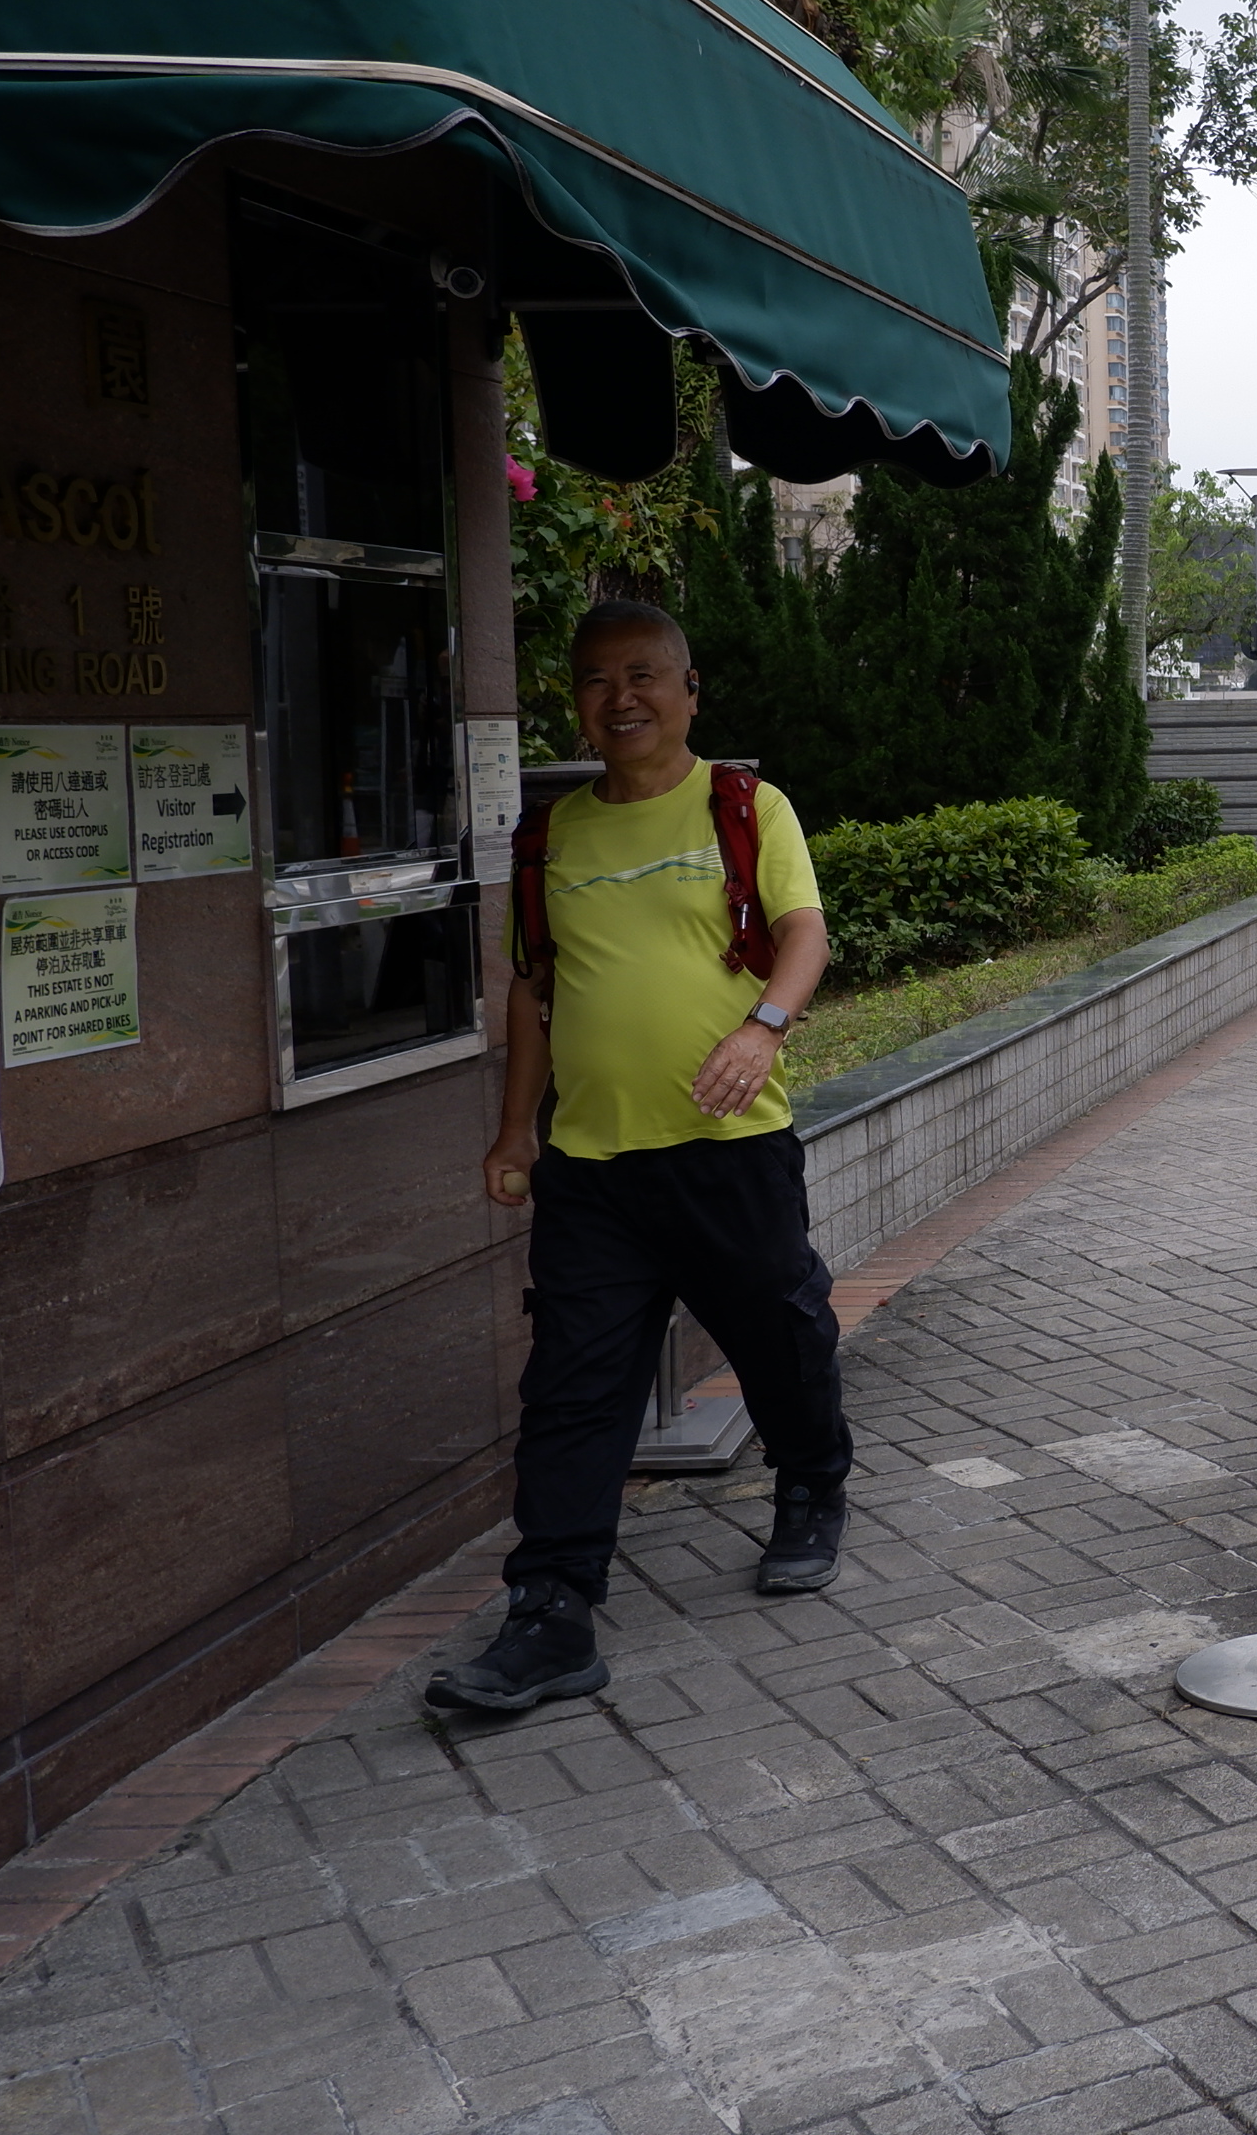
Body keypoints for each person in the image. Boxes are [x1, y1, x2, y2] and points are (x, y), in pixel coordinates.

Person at [441, 601, 849, 1714]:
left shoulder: (745, 805)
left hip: (732, 1151)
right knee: (571, 1388)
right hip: (592, 1167)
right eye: (594, 680)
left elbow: (804, 931)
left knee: (781, 1338)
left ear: (688, 689)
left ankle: (811, 1484)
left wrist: (762, 1027)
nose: (619, 698)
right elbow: (534, 991)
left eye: (641, 676)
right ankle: (552, 1609)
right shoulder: (550, 837)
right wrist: (515, 1128)